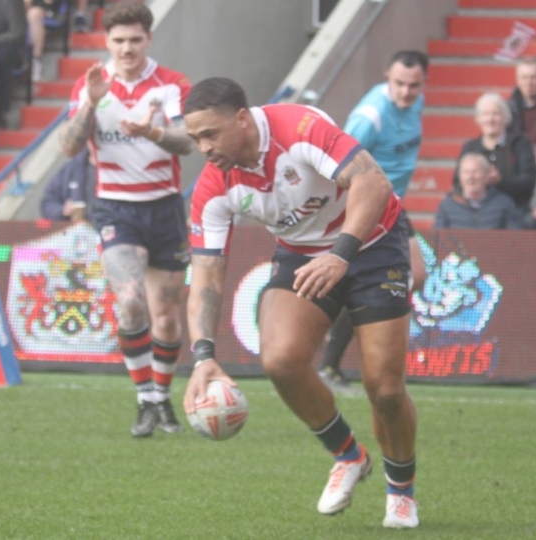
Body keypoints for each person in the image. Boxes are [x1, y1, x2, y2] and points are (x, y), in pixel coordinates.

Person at [182, 77, 420, 529]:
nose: (203, 148)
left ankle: (401, 491)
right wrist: (203, 357)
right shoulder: (214, 187)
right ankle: (349, 457)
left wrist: (341, 255)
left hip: (373, 243)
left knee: (385, 389)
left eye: (210, 134)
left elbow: (372, 182)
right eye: (195, 139)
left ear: (242, 119)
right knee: (280, 360)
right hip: (302, 253)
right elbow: (206, 277)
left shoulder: (299, 128)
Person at [58, 1, 194, 438]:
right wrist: (90, 106)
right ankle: (144, 399)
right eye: (118, 41)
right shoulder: (91, 84)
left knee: (167, 316)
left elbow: (186, 142)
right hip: (116, 208)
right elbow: (68, 147)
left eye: (135, 39)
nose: (127, 48)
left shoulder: (171, 85)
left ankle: (162, 394)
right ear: (106, 42)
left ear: (148, 39)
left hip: (165, 206)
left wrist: (151, 131)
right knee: (131, 301)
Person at [317, 50, 429, 394]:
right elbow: (338, 166)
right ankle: (330, 363)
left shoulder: (416, 103)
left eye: (414, 85)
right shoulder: (371, 116)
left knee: (416, 275)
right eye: (399, 84)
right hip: (370, 204)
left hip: (393, 202)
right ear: (386, 78)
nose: (406, 92)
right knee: (403, 274)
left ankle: (332, 357)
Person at [455, 93, 536, 211]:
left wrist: (501, 181)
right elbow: (457, 182)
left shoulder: (520, 143)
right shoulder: (470, 148)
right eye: (485, 114)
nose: (490, 119)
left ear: (506, 117)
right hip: (475, 210)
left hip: (514, 208)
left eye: (496, 114)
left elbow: (529, 181)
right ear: (478, 119)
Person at [434, 153, 522, 230]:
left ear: (486, 175)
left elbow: (515, 239)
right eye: (466, 172)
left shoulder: (504, 204)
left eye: (475, 172)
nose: (470, 177)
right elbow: (435, 241)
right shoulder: (447, 205)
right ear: (460, 176)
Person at [40, 145, 96, 221]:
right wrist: (62, 210)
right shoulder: (72, 167)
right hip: (81, 230)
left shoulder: (115, 171)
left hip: (110, 228)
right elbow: (47, 204)